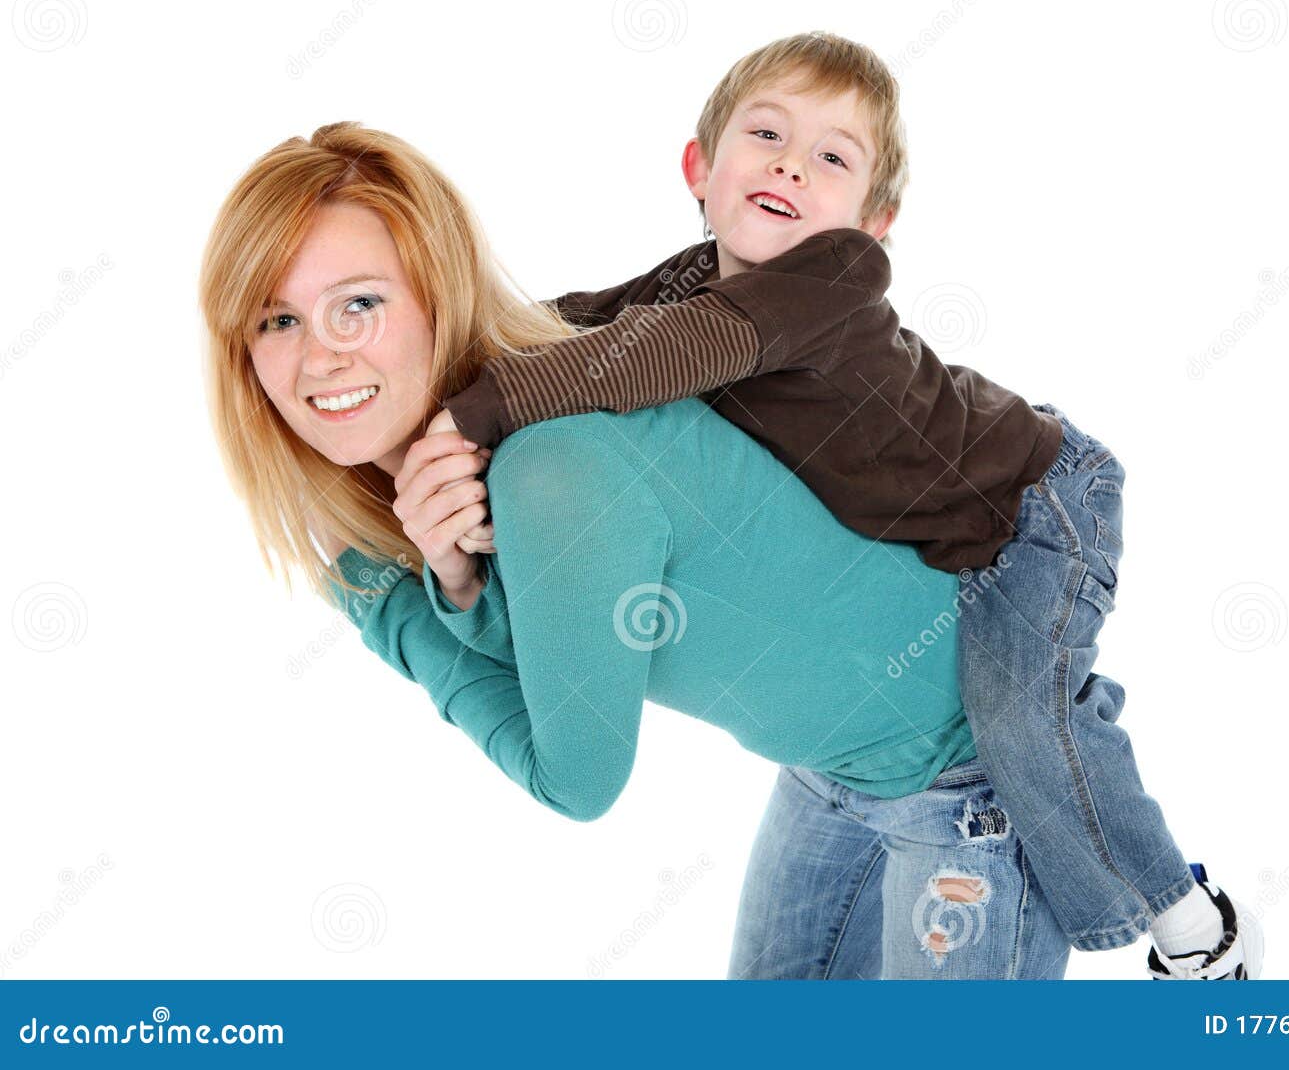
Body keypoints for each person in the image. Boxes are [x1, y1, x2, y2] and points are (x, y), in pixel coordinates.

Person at [432, 31, 1264, 978]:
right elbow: (580, 324)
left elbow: (646, 356)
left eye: (833, 158)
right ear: (700, 168)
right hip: (949, 540)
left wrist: (469, 416)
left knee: (1021, 710)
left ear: (872, 222)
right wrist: (456, 355)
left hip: (1039, 502)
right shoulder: (693, 281)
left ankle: (1186, 919)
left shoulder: (827, 282)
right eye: (768, 135)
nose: (792, 162)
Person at [197, 121, 1072, 978]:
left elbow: (575, 777)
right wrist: (452, 579)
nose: (321, 358)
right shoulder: (452, 476)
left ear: (441, 292)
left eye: (359, 303)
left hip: (976, 775)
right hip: (834, 771)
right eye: (278, 319)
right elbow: (540, 647)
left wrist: (398, 598)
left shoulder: (551, 462)